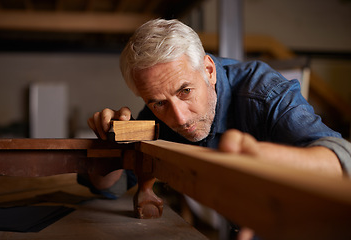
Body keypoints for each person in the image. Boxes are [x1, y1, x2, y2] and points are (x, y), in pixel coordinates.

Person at [84, 18, 351, 238]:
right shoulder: (159, 114)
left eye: (185, 91)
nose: (179, 117)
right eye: (158, 103)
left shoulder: (264, 93)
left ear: (209, 70)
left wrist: (266, 159)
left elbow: (343, 161)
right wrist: (110, 146)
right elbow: (113, 188)